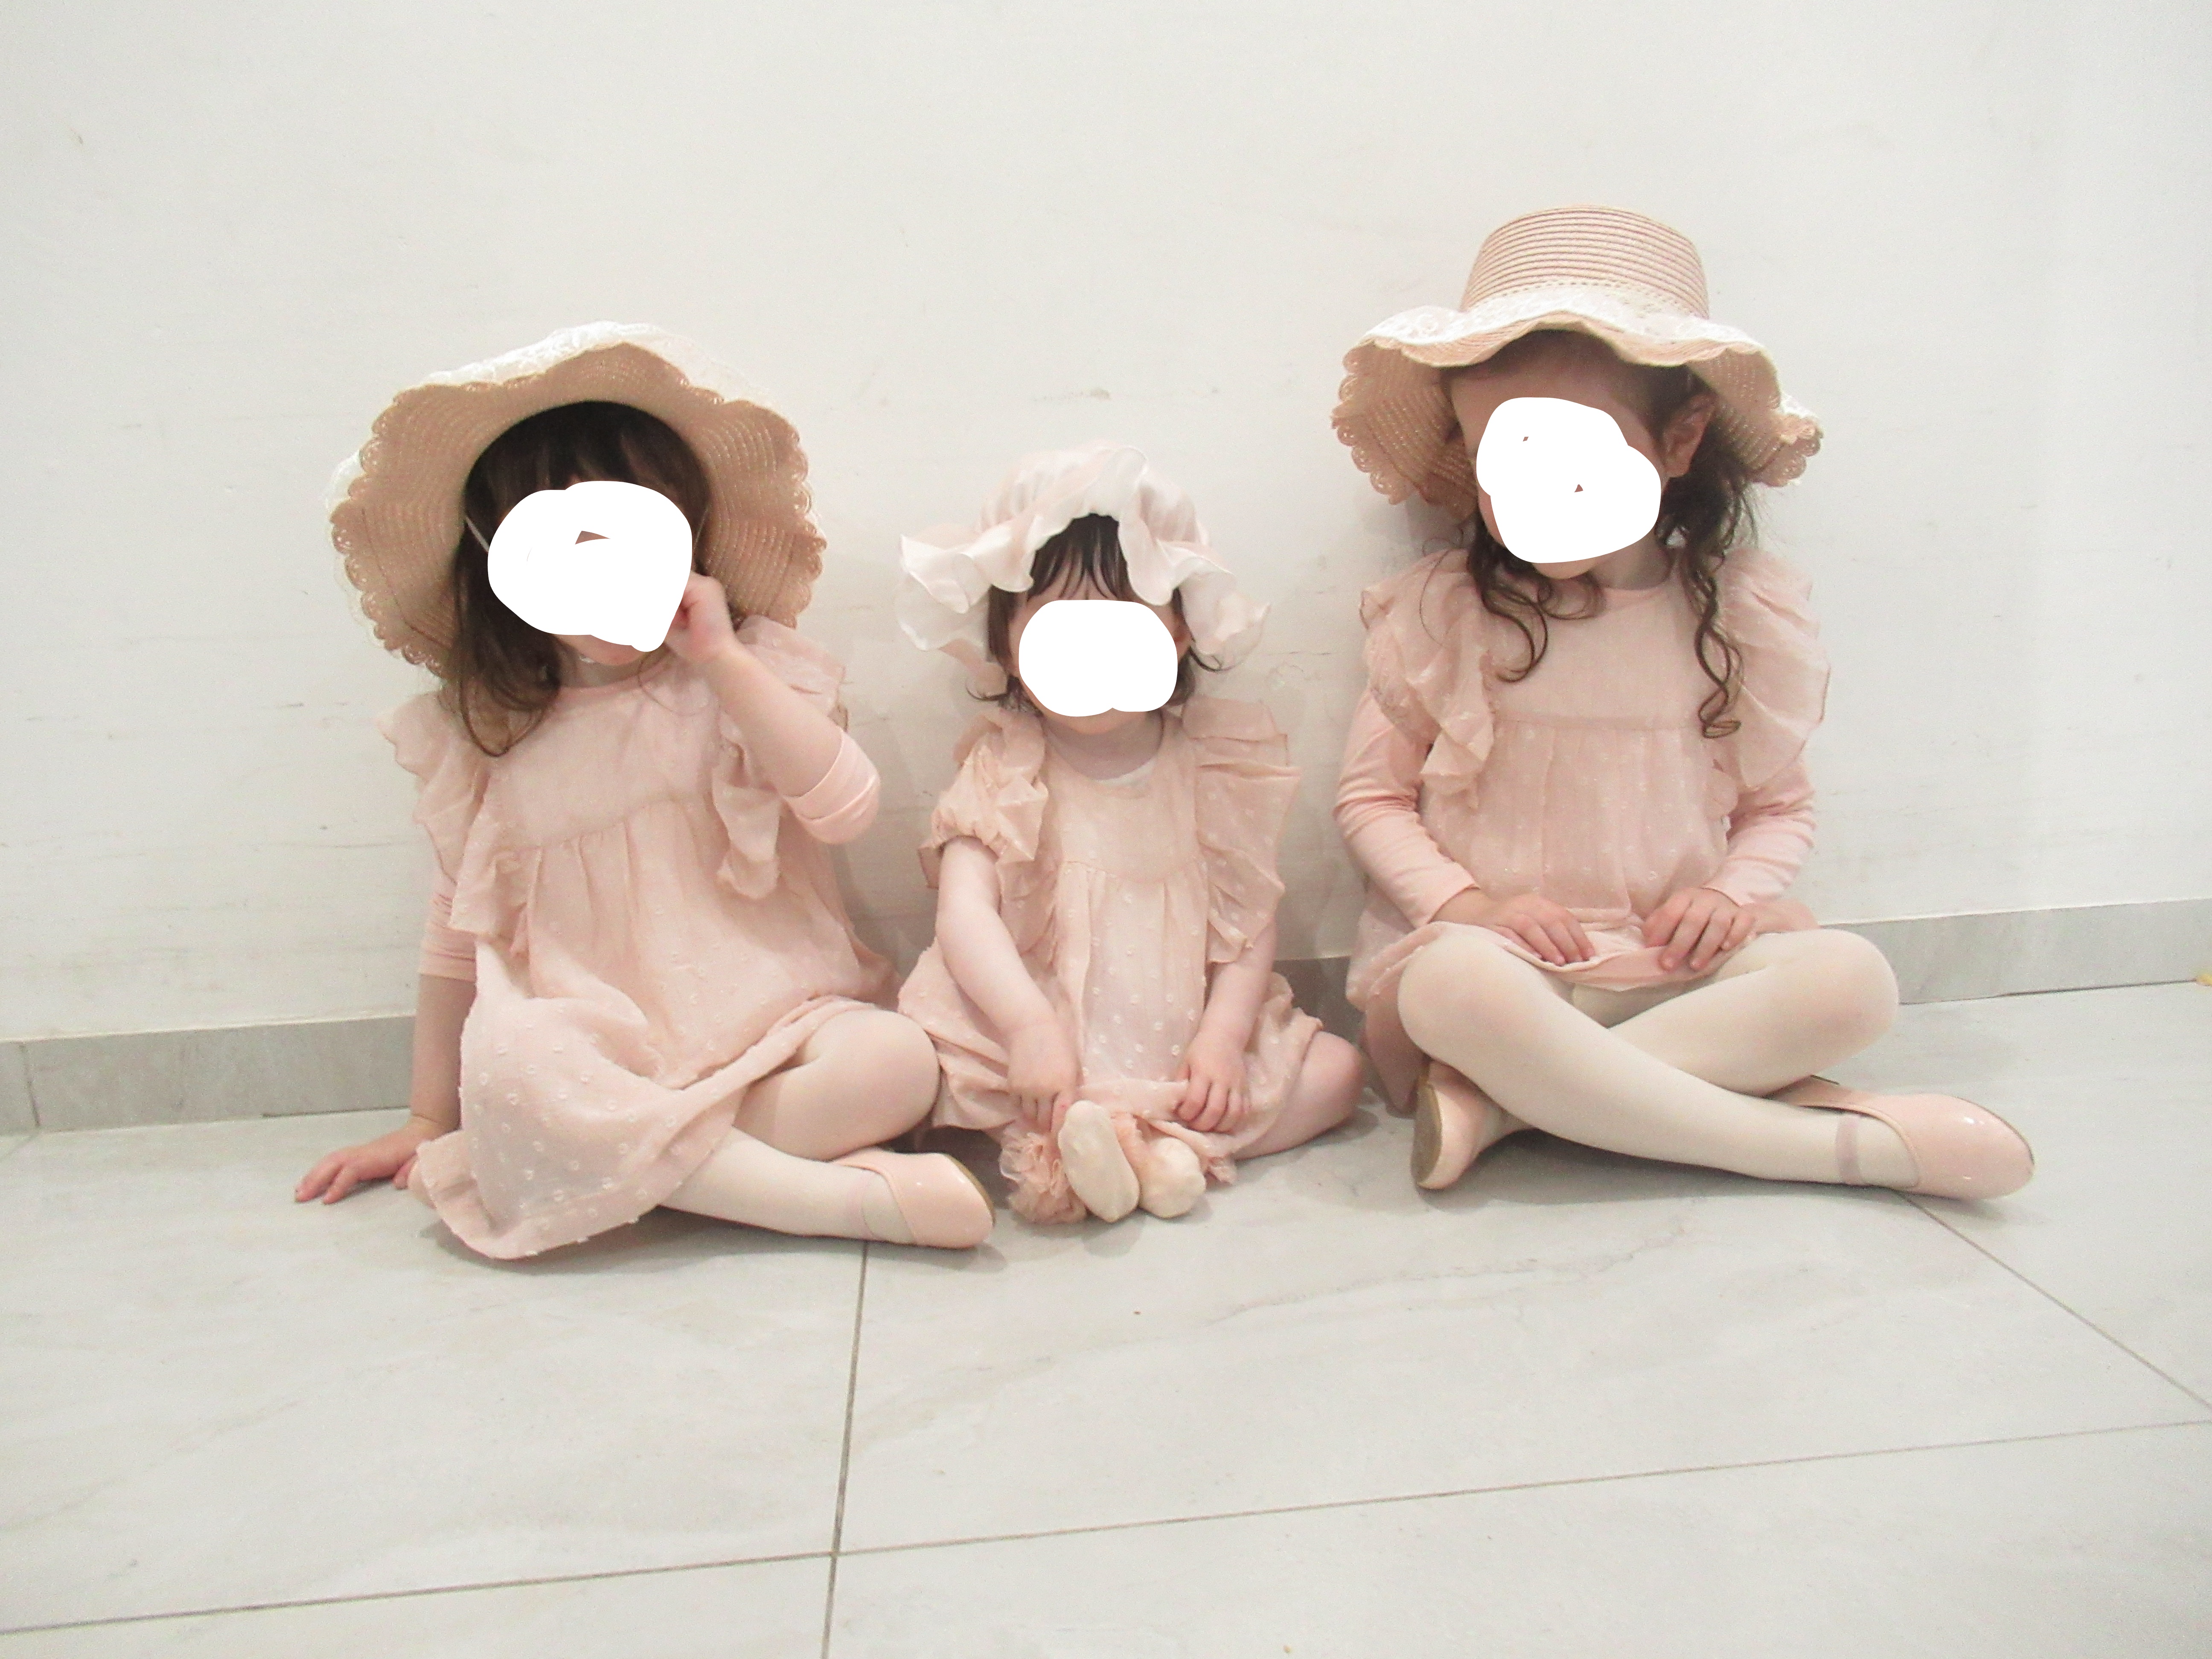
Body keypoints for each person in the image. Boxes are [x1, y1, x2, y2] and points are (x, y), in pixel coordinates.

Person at [1330, 206, 2033, 1200]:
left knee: (1853, 983)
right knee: (1449, 986)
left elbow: (1780, 808)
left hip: (1672, 971)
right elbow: (1372, 799)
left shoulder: (1737, 617)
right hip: (1512, 969)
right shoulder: (1445, 614)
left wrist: (1730, 897)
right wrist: (1472, 907)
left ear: (1680, 439)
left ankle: (1510, 1107)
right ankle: (1817, 1150)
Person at [294, 323, 990, 1256]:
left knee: (898, 1062)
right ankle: (844, 1201)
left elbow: (846, 808)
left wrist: (723, 661)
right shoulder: (486, 733)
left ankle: (624, 1171)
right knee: (511, 1074)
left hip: (777, 1022)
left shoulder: (749, 672)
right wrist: (428, 1120)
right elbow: (455, 938)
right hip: (596, 1055)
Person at [894, 442, 1366, 1223]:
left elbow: (1248, 920)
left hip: (1181, 1038)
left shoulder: (1214, 763)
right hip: (1044, 1039)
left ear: (1177, 635)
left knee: (1339, 1073)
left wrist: (1224, 1038)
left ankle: (1136, 1146)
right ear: (1009, 646)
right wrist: (1028, 1028)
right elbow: (964, 913)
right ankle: (1133, 1149)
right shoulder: (1008, 766)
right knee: (924, 1073)